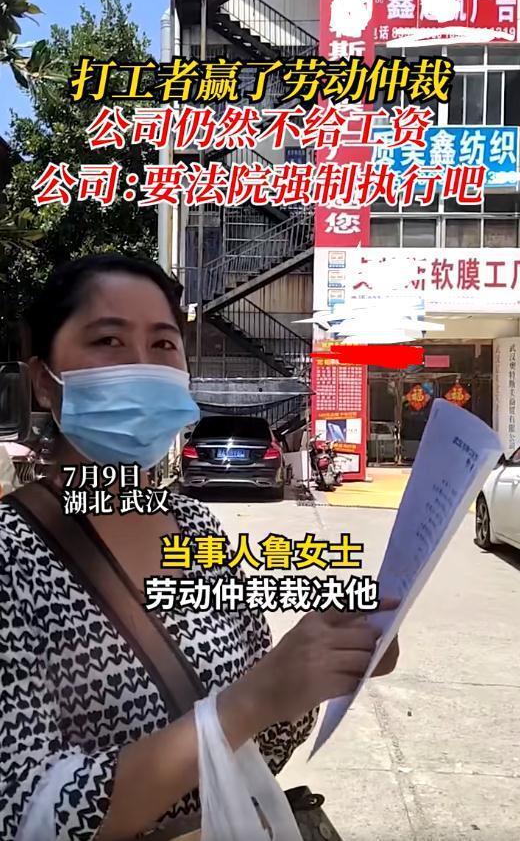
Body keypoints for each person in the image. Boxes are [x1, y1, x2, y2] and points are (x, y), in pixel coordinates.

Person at [0, 254, 400, 841]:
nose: (143, 365)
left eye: (163, 344)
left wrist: (311, 672)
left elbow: (260, 746)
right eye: (108, 340)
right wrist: (249, 701)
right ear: (44, 380)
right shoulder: (11, 554)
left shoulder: (194, 526)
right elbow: (26, 815)